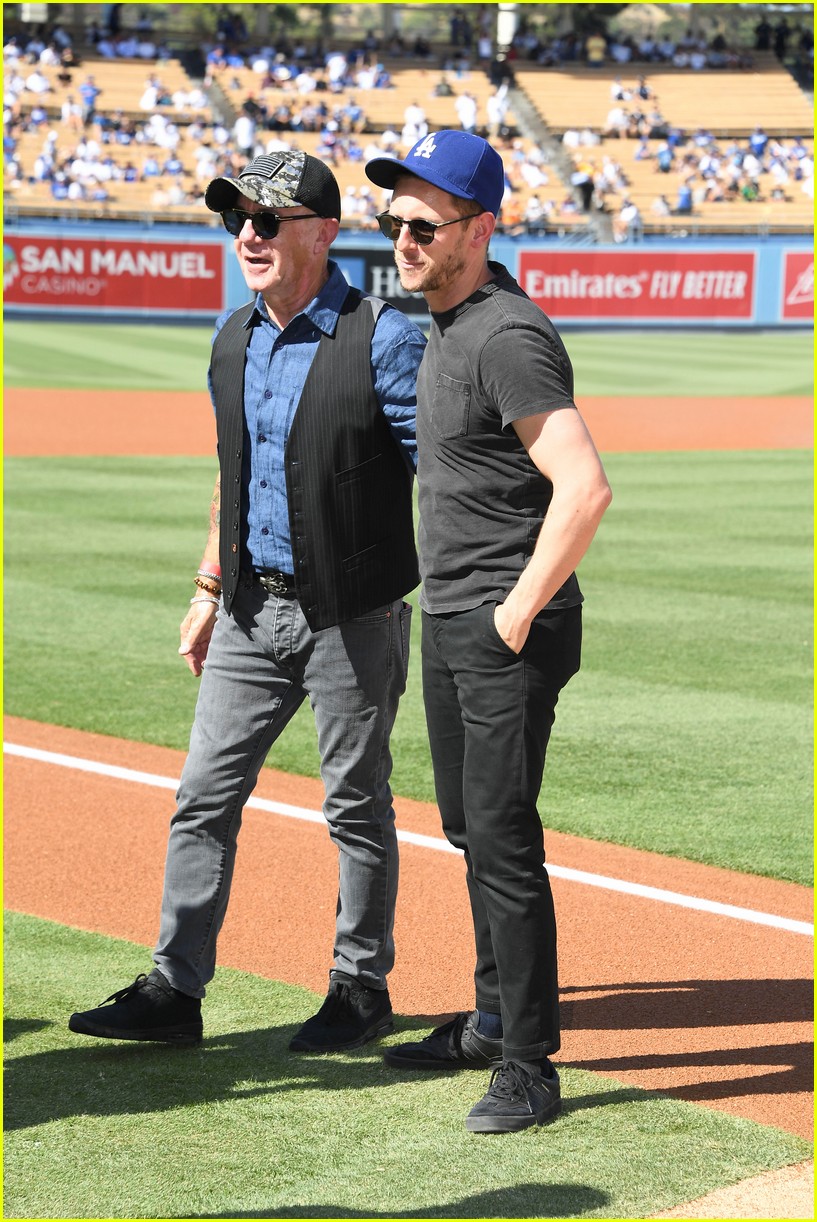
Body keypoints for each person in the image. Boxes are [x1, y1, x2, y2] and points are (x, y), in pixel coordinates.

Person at [69, 151, 426, 1052]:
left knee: (354, 805)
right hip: (246, 611)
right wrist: (206, 584)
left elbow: (446, 473)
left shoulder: (384, 338)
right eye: (238, 220)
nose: (249, 237)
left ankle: (359, 987)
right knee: (202, 796)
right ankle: (174, 988)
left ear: (324, 233)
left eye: (268, 220)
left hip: (353, 614)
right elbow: (237, 472)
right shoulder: (234, 336)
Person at [365, 130, 612, 1133]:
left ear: (479, 229)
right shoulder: (444, 323)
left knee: (502, 840)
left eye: (424, 226)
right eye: (395, 222)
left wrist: (513, 611)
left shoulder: (506, 335)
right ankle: (489, 1018)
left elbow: (584, 487)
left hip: (505, 626)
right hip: (454, 613)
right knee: (469, 826)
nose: (404, 240)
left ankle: (528, 1066)